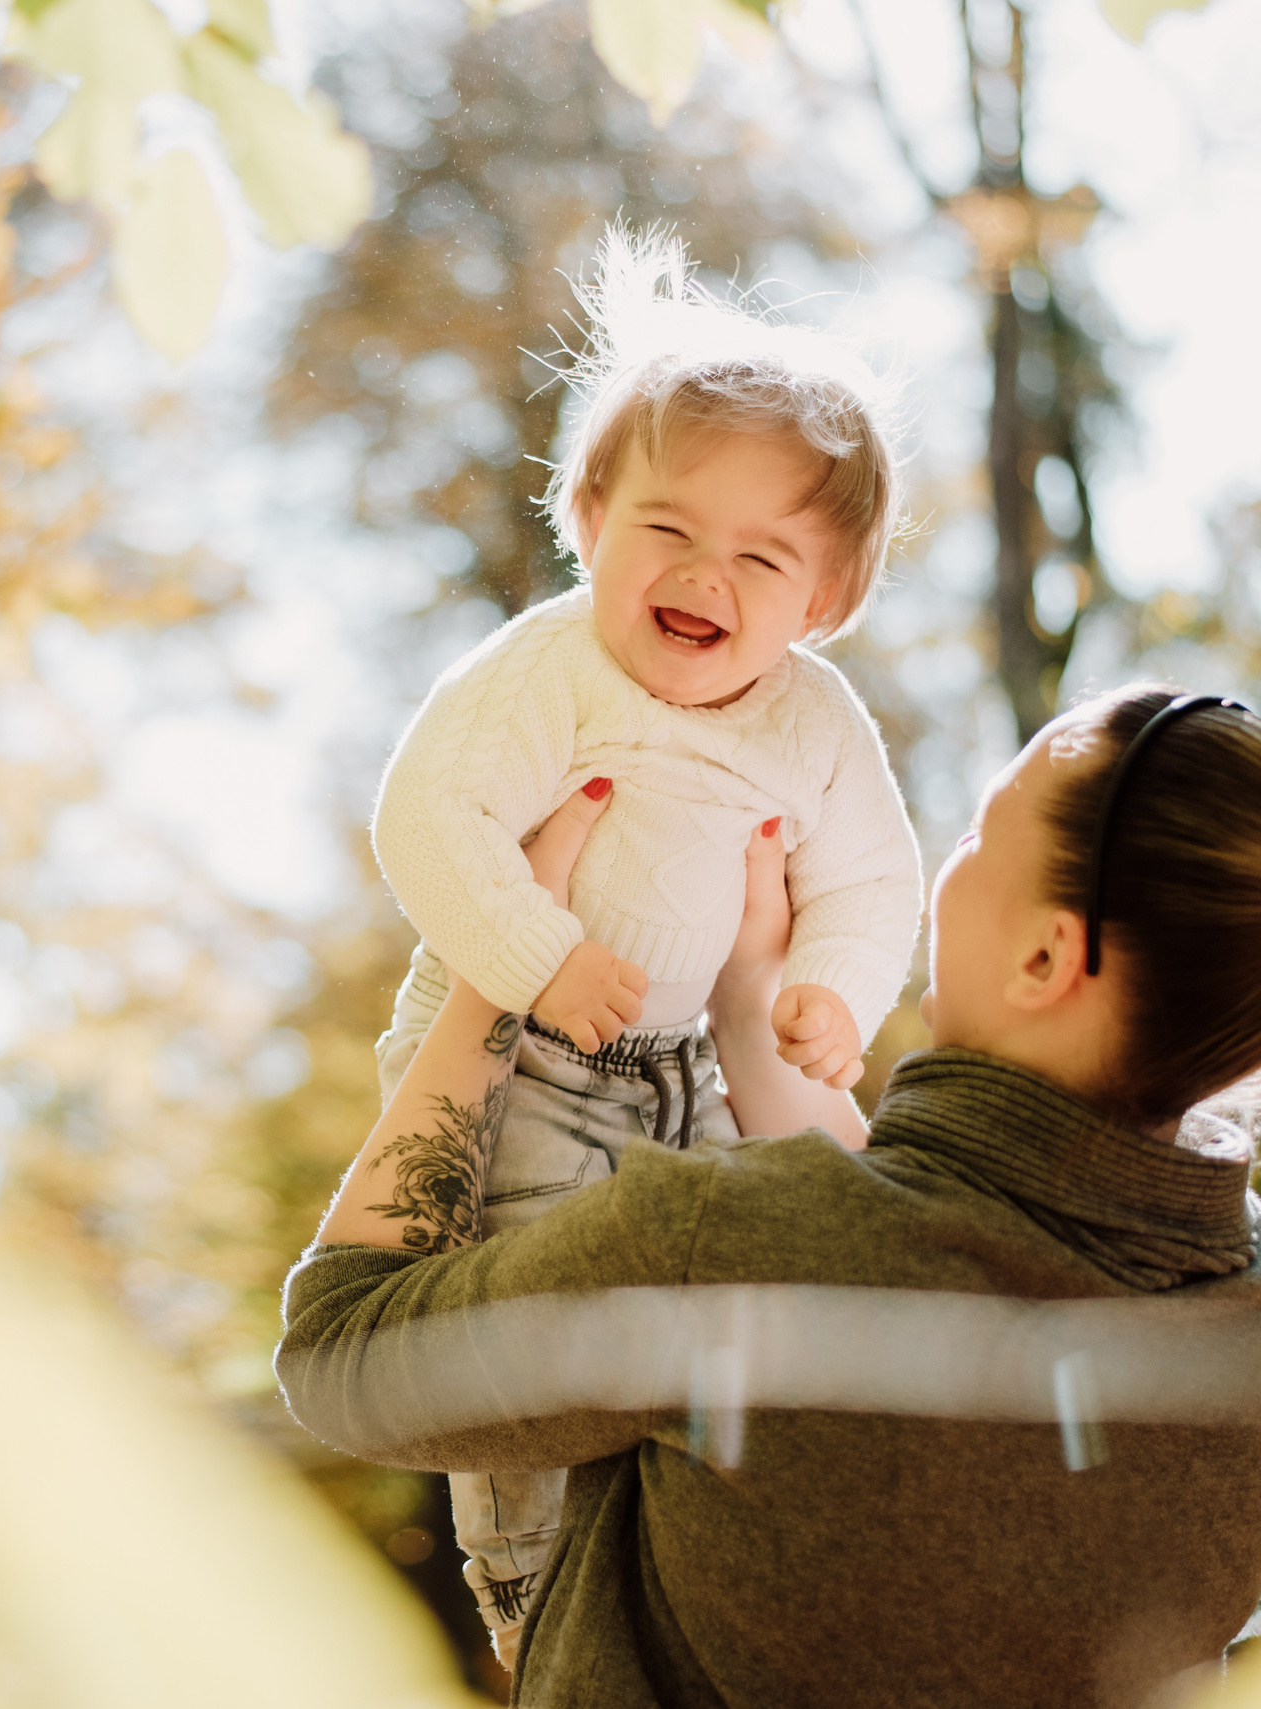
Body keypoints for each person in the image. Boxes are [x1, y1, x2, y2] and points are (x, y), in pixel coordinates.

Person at [282, 687, 1261, 1707]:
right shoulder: (1244, 1305)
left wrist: (491, 970)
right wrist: (748, 1008)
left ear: (1049, 954)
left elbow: (341, 1353)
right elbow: (930, 1247)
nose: (946, 865)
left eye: (983, 835)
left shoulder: (719, 1242)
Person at [367, 228, 923, 1651]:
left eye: (763, 556)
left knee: (759, 1310)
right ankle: (537, 1591)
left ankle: (730, 1578)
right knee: (532, 1306)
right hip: (528, 1055)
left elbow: (870, 880)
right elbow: (429, 819)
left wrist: (831, 999)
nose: (706, 577)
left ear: (827, 602)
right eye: (669, 529)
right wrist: (537, 952)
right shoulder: (545, 671)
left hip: (706, 1077)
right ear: (591, 512)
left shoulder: (813, 725)